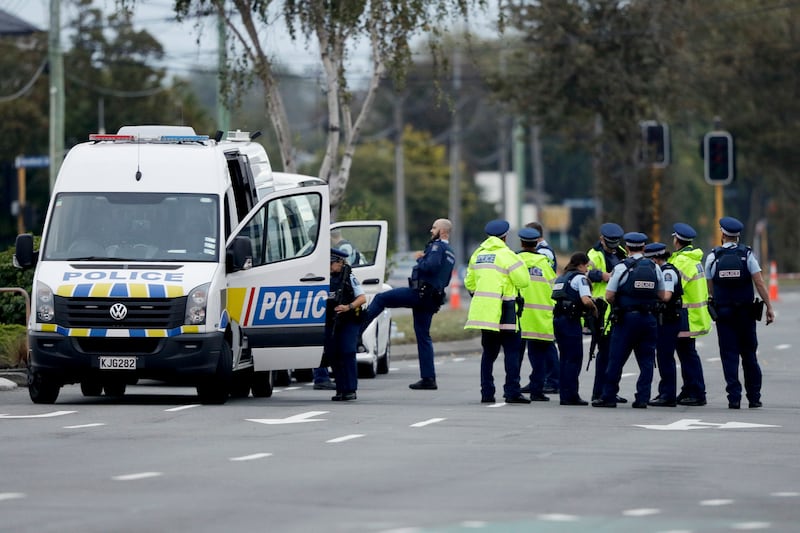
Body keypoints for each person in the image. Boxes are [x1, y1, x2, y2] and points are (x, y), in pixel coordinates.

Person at [361, 218, 455, 390]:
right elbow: (445, 278)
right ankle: (428, 378)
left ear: (442, 231)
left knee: (382, 298)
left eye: (434, 228)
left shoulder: (437, 247)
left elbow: (430, 266)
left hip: (419, 295)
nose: (431, 230)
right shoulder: (450, 252)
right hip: (431, 299)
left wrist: (421, 258)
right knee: (423, 336)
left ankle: (356, 330)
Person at [705, 217, 775, 409]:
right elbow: (759, 282)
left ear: (723, 234)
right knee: (749, 356)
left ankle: (734, 398)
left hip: (724, 314)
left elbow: (709, 287)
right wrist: (769, 306)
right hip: (745, 313)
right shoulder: (747, 255)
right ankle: (754, 397)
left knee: (729, 356)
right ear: (737, 236)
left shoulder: (713, 257)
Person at [593, 232, 666, 408]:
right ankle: (642, 398)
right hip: (648, 319)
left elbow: (609, 295)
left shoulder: (621, 267)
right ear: (643, 248)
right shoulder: (654, 267)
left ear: (626, 248)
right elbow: (662, 295)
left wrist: (622, 301)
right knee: (647, 362)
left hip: (626, 319)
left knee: (616, 359)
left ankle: (609, 396)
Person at [464, 219, 531, 404]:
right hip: (506, 309)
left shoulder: (477, 254)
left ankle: (487, 393)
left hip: (486, 313)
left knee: (488, 354)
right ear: (505, 236)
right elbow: (523, 281)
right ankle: (512, 392)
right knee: (511, 351)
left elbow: (469, 283)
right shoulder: (508, 255)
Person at [668, 222, 711, 407]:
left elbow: (673, 288)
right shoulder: (693, 259)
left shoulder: (682, 262)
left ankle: (697, 391)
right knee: (687, 353)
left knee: (687, 355)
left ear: (677, 240)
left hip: (686, 316)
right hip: (692, 315)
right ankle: (689, 389)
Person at [586, 222, 628, 403]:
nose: (612, 247)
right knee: (604, 354)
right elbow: (586, 273)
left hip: (619, 309)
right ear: (601, 239)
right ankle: (599, 392)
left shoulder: (621, 253)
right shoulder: (594, 254)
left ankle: (611, 391)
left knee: (616, 355)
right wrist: (604, 276)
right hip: (602, 310)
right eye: (609, 243)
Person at [516, 227, 558, 402]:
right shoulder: (544, 264)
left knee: (515, 355)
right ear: (537, 243)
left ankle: (513, 387)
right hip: (540, 318)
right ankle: (537, 390)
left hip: (519, 317)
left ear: (521, 243)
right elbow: (554, 288)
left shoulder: (515, 261)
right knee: (538, 356)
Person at [552, 252, 597, 406]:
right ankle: (571, 395)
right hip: (571, 321)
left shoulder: (562, 277)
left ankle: (565, 394)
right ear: (581, 265)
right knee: (574, 359)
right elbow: (585, 300)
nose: (587, 270)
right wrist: (594, 308)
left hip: (558, 320)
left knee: (564, 358)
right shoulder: (580, 278)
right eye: (587, 266)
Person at [323, 248, 367, 401]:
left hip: (348, 319)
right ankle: (340, 389)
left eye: (331, 263)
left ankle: (350, 389)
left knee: (347, 351)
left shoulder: (349, 278)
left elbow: (362, 298)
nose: (329, 266)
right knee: (333, 352)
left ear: (340, 262)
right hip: (331, 320)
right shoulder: (325, 278)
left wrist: (348, 307)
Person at [645, 242, 684, 407]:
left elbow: (666, 296)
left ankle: (668, 395)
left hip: (668, 319)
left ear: (655, 259)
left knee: (665, 357)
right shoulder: (663, 270)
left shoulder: (667, 273)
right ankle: (664, 392)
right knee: (662, 356)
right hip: (664, 319)